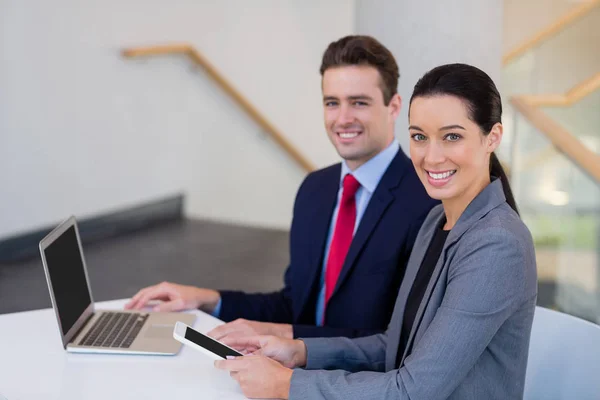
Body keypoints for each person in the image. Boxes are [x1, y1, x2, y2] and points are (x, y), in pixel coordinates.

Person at [214, 63, 538, 400]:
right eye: (419, 137)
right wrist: (299, 351)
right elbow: (393, 347)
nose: (431, 156)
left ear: (493, 137)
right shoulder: (435, 222)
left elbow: (413, 390)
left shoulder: (498, 244)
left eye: (452, 136)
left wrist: (287, 385)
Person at [125, 35, 438, 340]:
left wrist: (286, 336)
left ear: (394, 107)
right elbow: (295, 306)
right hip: (288, 369)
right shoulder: (315, 189)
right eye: (332, 103)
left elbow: (399, 340)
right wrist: (205, 298)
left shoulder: (426, 201)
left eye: (359, 103)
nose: (343, 118)